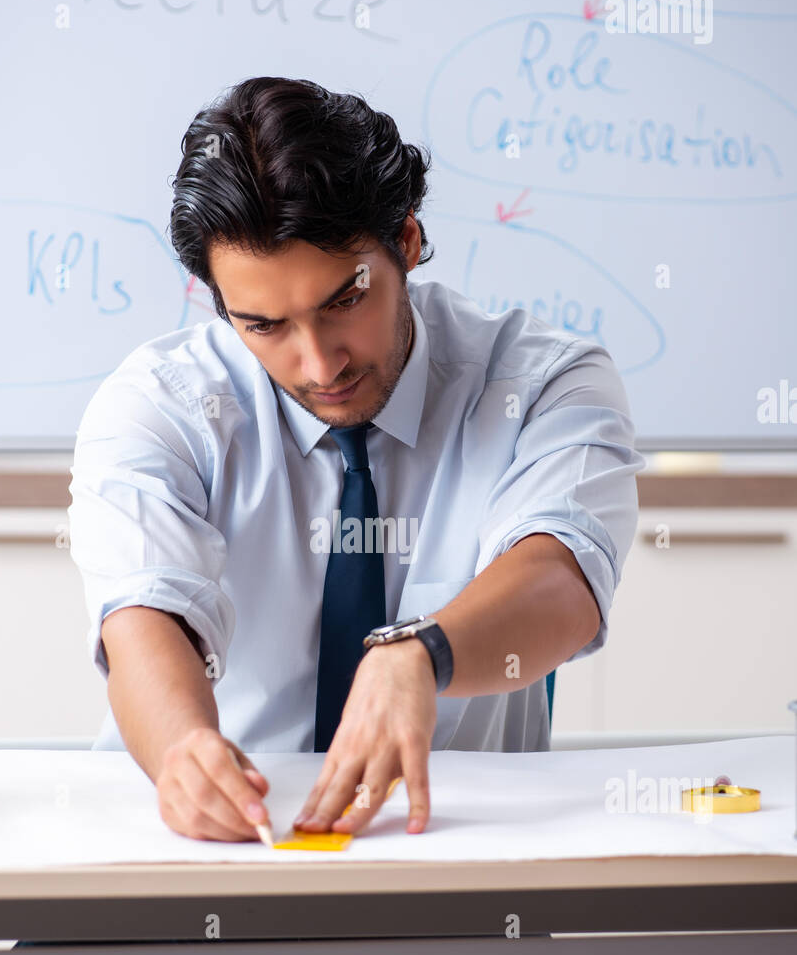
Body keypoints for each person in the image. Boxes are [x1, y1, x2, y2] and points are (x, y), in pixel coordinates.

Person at [68, 75, 644, 845]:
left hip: (454, 863)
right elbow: (144, 610)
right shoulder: (160, 403)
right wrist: (182, 752)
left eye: (343, 301)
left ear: (405, 241)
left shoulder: (540, 382)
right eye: (264, 325)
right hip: (210, 847)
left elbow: (561, 576)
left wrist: (421, 654)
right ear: (216, 304)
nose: (317, 365)